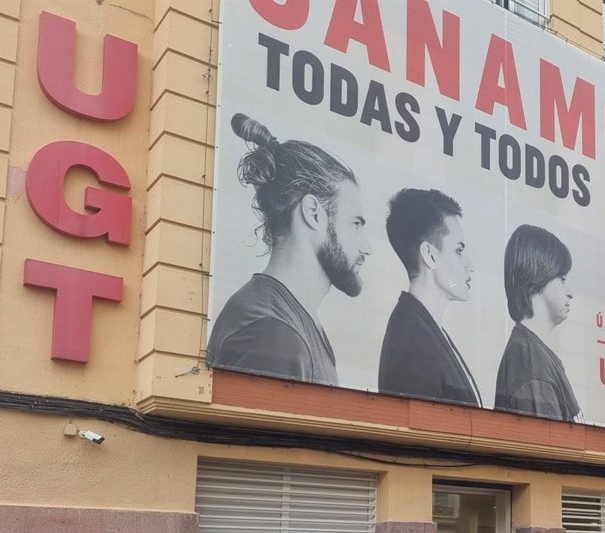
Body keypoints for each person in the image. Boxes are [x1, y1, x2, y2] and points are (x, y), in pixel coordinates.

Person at [207, 114, 370, 385]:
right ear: (313, 213)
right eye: (355, 224)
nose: (367, 247)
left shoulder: (289, 320)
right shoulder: (271, 335)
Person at [378, 188, 481, 406]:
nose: (470, 266)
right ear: (430, 255)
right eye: (459, 250)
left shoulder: (424, 328)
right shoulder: (412, 344)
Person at [494, 224, 582, 421]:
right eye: (562, 278)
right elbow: (548, 449)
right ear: (537, 275)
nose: (570, 292)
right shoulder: (531, 363)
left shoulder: (534, 354)